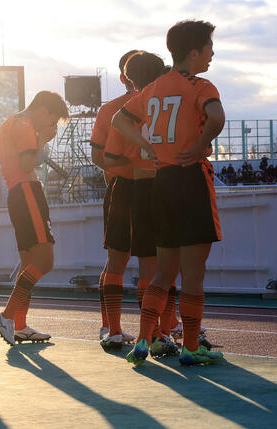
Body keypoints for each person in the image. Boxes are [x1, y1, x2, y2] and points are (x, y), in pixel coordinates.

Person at [112, 20, 226, 367]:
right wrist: (202, 144)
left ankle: (145, 340)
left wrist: (147, 146)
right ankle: (191, 345)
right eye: (208, 47)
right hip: (190, 178)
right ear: (194, 52)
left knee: (163, 272)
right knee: (193, 274)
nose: (211, 53)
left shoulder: (154, 87)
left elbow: (120, 119)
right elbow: (217, 117)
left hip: (160, 182)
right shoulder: (201, 85)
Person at [100, 51, 177, 351]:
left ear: (127, 77)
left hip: (127, 187)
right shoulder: (167, 106)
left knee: (118, 262)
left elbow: (105, 157)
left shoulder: (119, 109)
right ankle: (158, 332)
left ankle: (116, 330)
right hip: (152, 188)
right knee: (158, 264)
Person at [0, 90, 70, 345]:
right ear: (44, 111)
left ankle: (19, 324)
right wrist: (42, 140)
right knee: (44, 261)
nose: (50, 127)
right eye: (52, 121)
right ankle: (8, 316)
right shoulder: (25, 125)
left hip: (18, 194)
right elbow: (27, 165)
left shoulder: (12, 121)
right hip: (27, 192)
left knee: (28, 264)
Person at [89, 49, 139, 344]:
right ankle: (113, 327)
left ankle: (119, 327)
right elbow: (98, 155)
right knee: (123, 260)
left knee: (130, 261)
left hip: (128, 188)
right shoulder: (111, 109)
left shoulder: (111, 109)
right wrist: (130, 170)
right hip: (127, 190)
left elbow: (98, 156)